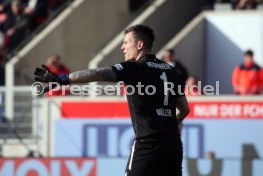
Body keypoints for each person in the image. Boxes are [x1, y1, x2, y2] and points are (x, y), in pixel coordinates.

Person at [34, 25, 190, 176]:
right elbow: (184, 109)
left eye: (126, 42)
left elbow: (97, 73)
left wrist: (62, 79)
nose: (122, 47)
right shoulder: (171, 71)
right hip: (173, 145)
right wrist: (167, 127)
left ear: (140, 44)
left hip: (148, 145)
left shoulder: (134, 68)